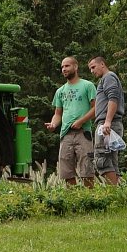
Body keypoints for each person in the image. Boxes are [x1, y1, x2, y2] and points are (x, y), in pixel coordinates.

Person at [44, 55, 96, 187]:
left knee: (87, 170)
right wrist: (53, 124)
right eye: (62, 67)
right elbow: (58, 114)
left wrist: (81, 121)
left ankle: (90, 197)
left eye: (67, 66)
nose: (64, 69)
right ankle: (72, 197)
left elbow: (96, 108)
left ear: (75, 67)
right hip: (66, 134)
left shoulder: (88, 86)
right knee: (66, 172)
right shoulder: (60, 91)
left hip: (83, 133)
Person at [87, 55, 125, 185]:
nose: (92, 71)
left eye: (93, 67)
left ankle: (111, 192)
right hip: (110, 123)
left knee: (102, 159)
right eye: (90, 69)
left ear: (102, 64)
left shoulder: (108, 77)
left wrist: (107, 122)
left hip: (108, 124)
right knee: (111, 161)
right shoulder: (107, 78)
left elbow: (113, 98)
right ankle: (117, 193)